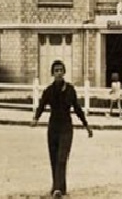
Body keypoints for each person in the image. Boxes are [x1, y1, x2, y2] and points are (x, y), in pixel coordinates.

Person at [32, 59, 93, 197]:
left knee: (61, 158)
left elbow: (77, 108)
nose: (59, 73)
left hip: (66, 128)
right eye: (56, 71)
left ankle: (58, 188)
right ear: (52, 73)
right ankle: (59, 187)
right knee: (54, 158)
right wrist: (36, 118)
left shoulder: (70, 90)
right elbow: (41, 105)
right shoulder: (49, 90)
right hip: (53, 128)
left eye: (61, 70)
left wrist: (86, 125)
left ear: (64, 72)